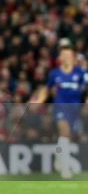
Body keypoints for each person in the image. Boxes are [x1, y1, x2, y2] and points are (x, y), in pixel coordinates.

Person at [32, 38, 83, 179]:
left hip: (75, 108)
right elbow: (46, 89)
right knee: (64, 131)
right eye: (64, 55)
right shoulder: (55, 74)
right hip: (60, 106)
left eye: (69, 55)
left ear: (73, 58)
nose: (66, 58)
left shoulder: (80, 73)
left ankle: (59, 155)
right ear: (60, 58)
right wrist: (39, 101)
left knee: (67, 137)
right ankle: (65, 169)